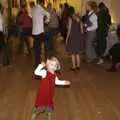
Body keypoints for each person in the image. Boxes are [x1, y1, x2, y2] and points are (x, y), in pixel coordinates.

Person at [31, 0, 50, 68]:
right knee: (42, 47)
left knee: (36, 49)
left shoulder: (33, 8)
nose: (43, 5)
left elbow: (30, 16)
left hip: (34, 32)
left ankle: (36, 63)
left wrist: (37, 19)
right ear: (41, 3)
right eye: (43, 3)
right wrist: (46, 21)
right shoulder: (40, 8)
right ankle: (39, 64)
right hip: (39, 32)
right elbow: (48, 14)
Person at [66, 6, 83, 71]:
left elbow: (69, 29)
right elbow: (81, 30)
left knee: (73, 53)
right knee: (77, 53)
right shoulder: (78, 17)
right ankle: (78, 66)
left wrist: (67, 38)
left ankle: (74, 67)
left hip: (72, 37)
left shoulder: (70, 18)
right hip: (78, 37)